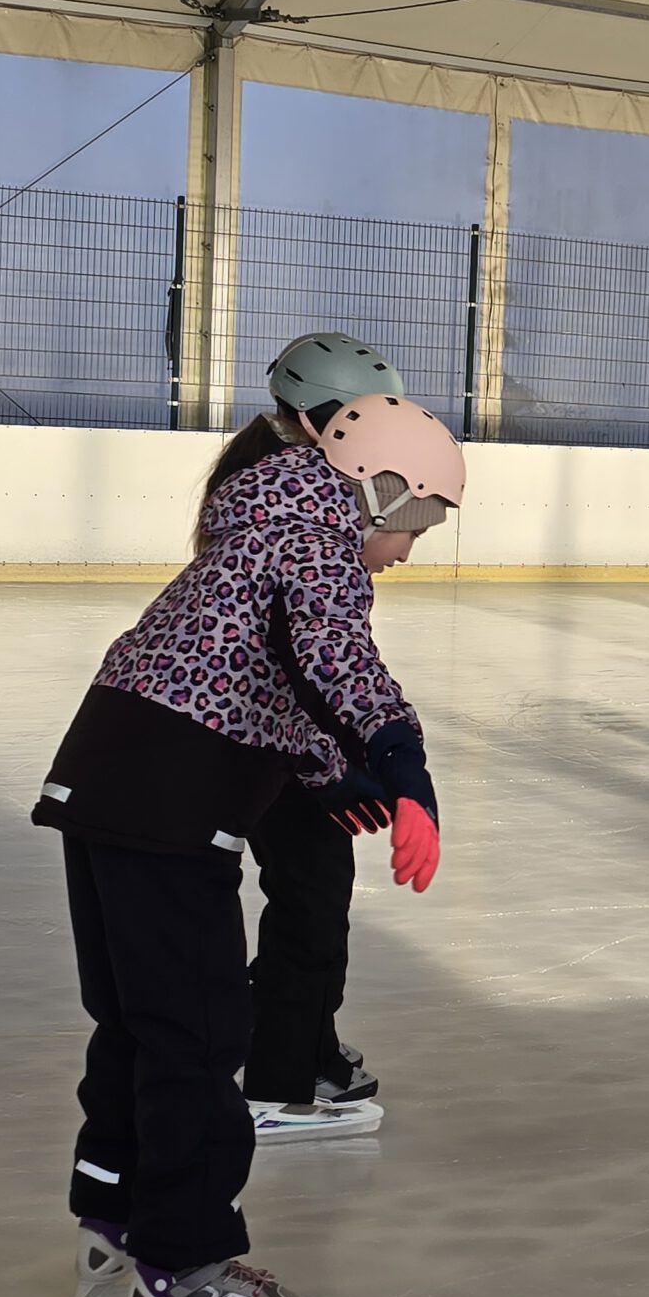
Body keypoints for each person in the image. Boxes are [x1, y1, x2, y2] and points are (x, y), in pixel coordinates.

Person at [34, 389, 460, 1297]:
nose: (411, 547)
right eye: (419, 520)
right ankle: (186, 1271)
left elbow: (252, 673)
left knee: (139, 1022)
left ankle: (112, 1221)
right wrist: (406, 768)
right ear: (377, 489)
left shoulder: (260, 521)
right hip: (169, 801)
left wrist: (328, 774)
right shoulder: (314, 535)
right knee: (199, 1030)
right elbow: (335, 657)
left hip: (105, 775)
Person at [242, 333, 422, 1148]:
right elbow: (310, 657)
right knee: (309, 913)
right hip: (277, 753)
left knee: (312, 907)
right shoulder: (301, 500)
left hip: (286, 749)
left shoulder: (290, 486)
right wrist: (343, 766)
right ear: (323, 422)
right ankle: (280, 1079)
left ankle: (301, 1047)